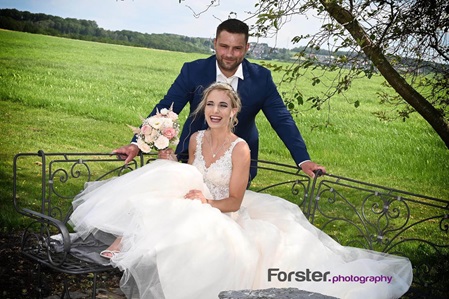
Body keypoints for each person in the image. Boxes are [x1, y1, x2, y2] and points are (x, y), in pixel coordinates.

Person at [69, 82, 412, 299]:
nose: (215, 111)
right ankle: (126, 248)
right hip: (196, 201)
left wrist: (205, 201)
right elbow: (191, 176)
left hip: (226, 212)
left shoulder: (240, 148)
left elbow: (234, 200)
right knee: (168, 181)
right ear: (204, 108)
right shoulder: (196, 138)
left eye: (223, 106)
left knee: (189, 214)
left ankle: (132, 253)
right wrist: (169, 157)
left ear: (234, 112)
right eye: (211, 105)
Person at [113, 18, 325, 180]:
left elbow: (282, 120)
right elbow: (166, 109)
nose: (229, 54)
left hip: (237, 164)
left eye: (237, 48)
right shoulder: (193, 71)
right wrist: (136, 144)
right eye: (224, 46)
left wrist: (303, 159)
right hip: (191, 157)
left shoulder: (262, 79)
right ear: (214, 43)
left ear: (247, 48)